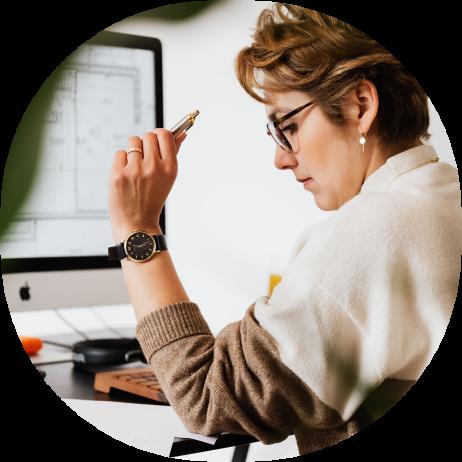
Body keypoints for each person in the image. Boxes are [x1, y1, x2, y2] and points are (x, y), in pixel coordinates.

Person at [107, 4, 461, 456]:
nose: (281, 158)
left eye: (287, 126)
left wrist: (138, 230)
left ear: (360, 106)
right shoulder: (444, 196)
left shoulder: (377, 229)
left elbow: (209, 400)